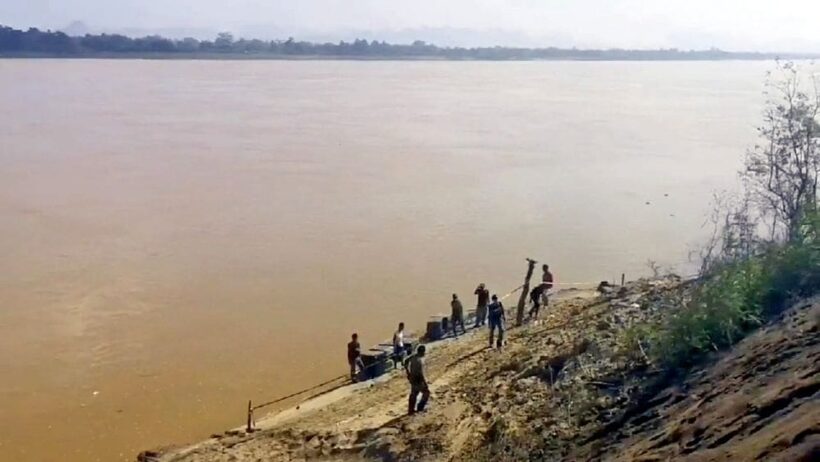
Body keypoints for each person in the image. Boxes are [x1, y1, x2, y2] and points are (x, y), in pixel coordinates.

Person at [405, 344, 430, 414]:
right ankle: (420, 408)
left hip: (412, 378)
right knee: (426, 393)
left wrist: (408, 373)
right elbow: (421, 373)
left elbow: (405, 361)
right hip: (418, 379)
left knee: (414, 393)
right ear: (422, 352)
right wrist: (425, 382)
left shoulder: (413, 357)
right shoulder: (419, 361)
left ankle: (410, 410)